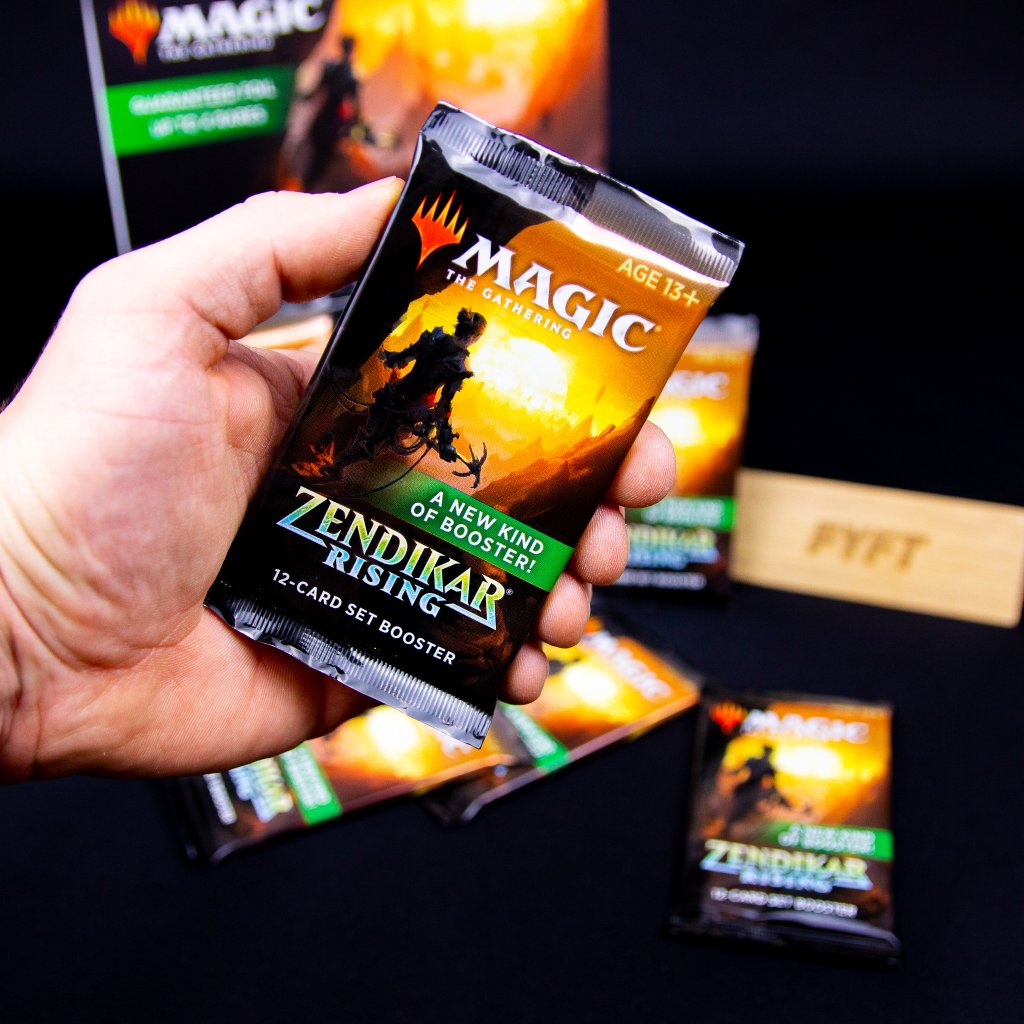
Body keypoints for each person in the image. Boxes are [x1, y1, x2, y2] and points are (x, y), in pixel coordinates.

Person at [0, 180, 674, 783]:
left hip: (399, 404)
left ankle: (346, 465)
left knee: (374, 443)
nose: (468, 336)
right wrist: (23, 608)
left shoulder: (445, 352)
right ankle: (344, 467)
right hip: (405, 410)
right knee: (375, 445)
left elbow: (412, 360)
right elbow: (430, 386)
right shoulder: (455, 359)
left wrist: (26, 630)